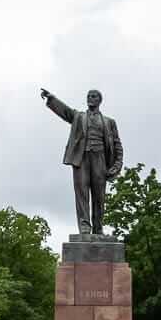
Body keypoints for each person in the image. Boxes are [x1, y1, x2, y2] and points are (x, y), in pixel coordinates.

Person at [40, 87, 124, 235]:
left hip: (100, 159)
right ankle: (84, 227)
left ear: (99, 100)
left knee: (99, 196)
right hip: (81, 159)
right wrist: (51, 99)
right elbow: (65, 112)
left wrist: (117, 165)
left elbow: (117, 145)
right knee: (81, 194)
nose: (90, 98)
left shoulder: (109, 122)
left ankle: (98, 228)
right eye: (88, 96)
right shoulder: (78, 117)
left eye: (93, 96)